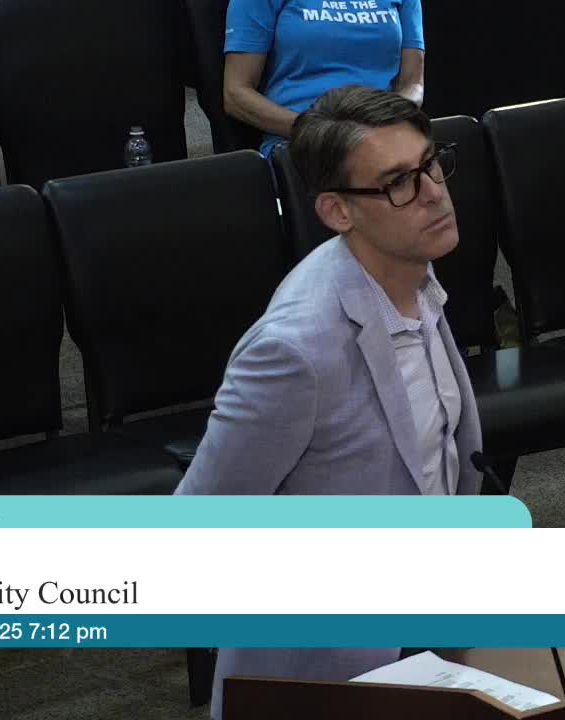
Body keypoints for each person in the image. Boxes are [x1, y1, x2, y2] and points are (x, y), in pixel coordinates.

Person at [175, 85, 481, 718]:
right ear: (338, 211)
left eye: (431, 164)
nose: (432, 192)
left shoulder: (412, 271)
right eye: (397, 182)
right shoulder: (294, 350)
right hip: (322, 672)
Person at [222, 0, 426, 156]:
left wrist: (389, 124)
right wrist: (320, 131)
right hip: (304, 139)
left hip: (384, 135)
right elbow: (236, 94)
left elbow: (413, 84)